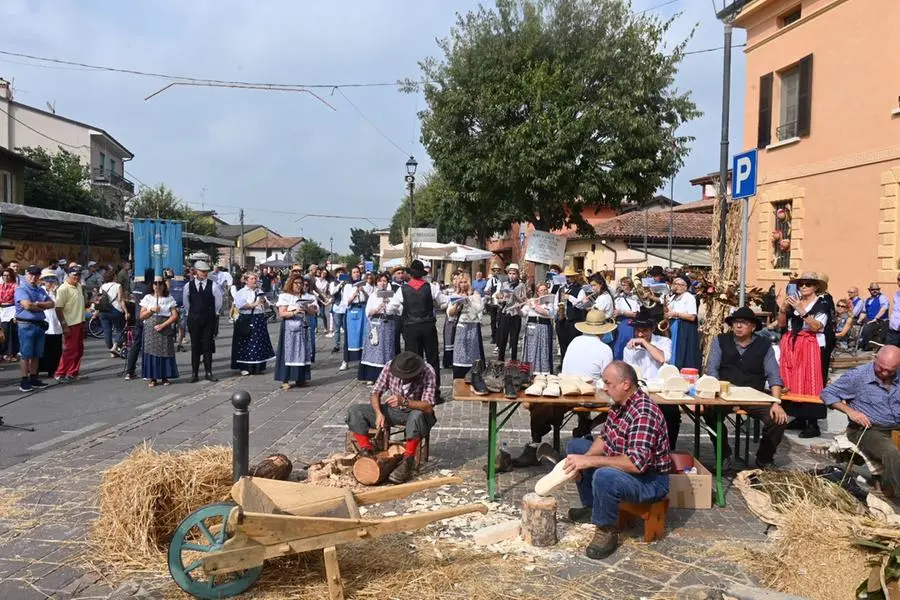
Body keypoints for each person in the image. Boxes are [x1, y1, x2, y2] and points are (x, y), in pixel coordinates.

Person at [564, 361, 672, 560]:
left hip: (650, 480)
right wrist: (583, 459)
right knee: (576, 447)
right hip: (631, 468)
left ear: (625, 384)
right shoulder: (619, 405)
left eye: (608, 383)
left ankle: (606, 530)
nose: (604, 387)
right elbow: (605, 438)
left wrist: (590, 463)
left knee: (605, 475)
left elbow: (636, 464)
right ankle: (592, 506)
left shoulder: (643, 413)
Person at [704, 307, 788, 469]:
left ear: (753, 327)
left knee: (778, 420)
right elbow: (712, 370)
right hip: (724, 394)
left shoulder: (764, 346)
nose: (738, 326)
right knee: (708, 411)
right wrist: (712, 393)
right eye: (736, 322)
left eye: (743, 323)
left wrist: (777, 402)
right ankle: (724, 454)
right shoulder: (720, 340)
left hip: (753, 395)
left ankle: (764, 457)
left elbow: (774, 375)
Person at [346, 351, 438, 483]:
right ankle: (366, 451)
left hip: (418, 412)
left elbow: (428, 406)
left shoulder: (428, 371)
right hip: (394, 411)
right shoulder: (390, 366)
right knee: (354, 411)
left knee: (416, 416)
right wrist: (378, 413)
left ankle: (408, 460)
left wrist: (405, 402)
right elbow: (375, 392)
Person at [821, 346, 900, 489]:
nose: (884, 372)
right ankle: (896, 492)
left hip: (895, 426)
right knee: (892, 453)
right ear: (875, 358)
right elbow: (827, 394)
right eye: (881, 368)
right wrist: (850, 411)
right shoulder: (857, 376)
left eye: (890, 370)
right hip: (867, 429)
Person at [386, 260, 449, 403]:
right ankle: (434, 393)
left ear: (410, 274)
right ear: (422, 274)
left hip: (411, 327)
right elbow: (443, 301)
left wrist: (403, 310)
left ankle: (415, 393)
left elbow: (390, 309)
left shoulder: (403, 290)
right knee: (432, 359)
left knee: (413, 360)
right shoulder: (430, 287)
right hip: (428, 326)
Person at [778, 271, 830, 439]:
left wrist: (802, 311)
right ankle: (799, 417)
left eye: (808, 284)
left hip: (811, 344)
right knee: (793, 380)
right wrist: (782, 309)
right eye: (801, 284)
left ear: (815, 286)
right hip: (793, 342)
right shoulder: (794, 302)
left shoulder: (822, 304)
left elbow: (817, 326)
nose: (803, 287)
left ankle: (813, 423)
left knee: (811, 381)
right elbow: (782, 324)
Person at [622, 307, 679, 448]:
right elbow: (629, 373)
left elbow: (662, 358)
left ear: (652, 329)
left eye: (644, 331)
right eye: (638, 330)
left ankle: (669, 449)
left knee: (673, 414)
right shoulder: (629, 347)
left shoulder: (664, 341)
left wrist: (645, 344)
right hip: (640, 393)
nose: (640, 334)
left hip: (661, 391)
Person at [274, 274, 318, 389]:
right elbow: (282, 313)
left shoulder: (306, 296)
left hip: (302, 326)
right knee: (289, 352)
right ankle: (285, 379)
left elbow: (313, 311)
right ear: (291, 283)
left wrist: (306, 308)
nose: (299, 285)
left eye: (301, 283)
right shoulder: (285, 296)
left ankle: (300, 378)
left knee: (302, 352)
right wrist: (294, 312)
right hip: (290, 326)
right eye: (297, 283)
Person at [15, 266, 54, 392]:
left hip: (39, 324)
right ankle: (24, 380)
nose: (33, 277)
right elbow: (27, 305)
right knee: (26, 354)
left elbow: (52, 303)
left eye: (36, 275)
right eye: (31, 275)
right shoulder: (21, 289)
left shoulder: (39, 290)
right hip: (26, 324)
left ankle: (33, 378)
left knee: (37, 354)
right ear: (26, 274)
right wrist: (41, 306)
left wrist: (37, 304)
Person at [183, 261, 222, 383]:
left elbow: (218, 303)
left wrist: (211, 314)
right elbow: (186, 303)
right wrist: (194, 313)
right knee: (195, 346)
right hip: (194, 318)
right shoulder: (188, 286)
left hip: (208, 318)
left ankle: (208, 372)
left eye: (206, 271)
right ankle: (194, 373)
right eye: (202, 271)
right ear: (196, 271)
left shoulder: (213, 285)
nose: (204, 273)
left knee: (207, 345)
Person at [230, 273, 276, 376]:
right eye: (252, 278)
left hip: (259, 318)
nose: (255, 280)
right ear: (246, 281)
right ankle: (245, 367)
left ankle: (258, 366)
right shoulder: (241, 292)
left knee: (259, 342)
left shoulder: (259, 291)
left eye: (256, 278)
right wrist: (253, 304)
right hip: (247, 319)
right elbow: (240, 305)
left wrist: (264, 302)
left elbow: (267, 304)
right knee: (246, 343)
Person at [359, 272, 401, 383]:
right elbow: (368, 312)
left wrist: (391, 307)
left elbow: (399, 310)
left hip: (388, 325)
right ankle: (371, 376)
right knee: (374, 349)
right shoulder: (373, 295)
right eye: (380, 281)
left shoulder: (392, 295)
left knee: (386, 350)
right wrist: (379, 307)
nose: (382, 283)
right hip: (376, 324)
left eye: (384, 281)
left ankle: (387, 375)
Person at [140, 278, 179, 387]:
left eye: (160, 284)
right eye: (155, 284)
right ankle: (152, 378)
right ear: (152, 285)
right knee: (151, 352)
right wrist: (151, 310)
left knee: (165, 351)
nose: (158, 286)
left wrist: (163, 325)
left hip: (164, 326)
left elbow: (174, 315)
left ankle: (165, 376)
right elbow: (142, 315)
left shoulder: (169, 298)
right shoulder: (147, 298)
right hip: (150, 329)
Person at [447, 273, 485, 379]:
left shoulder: (475, 294)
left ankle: (475, 374)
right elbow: (450, 314)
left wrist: (468, 300)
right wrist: (457, 304)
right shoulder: (455, 295)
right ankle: (459, 374)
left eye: (465, 282)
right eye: (461, 282)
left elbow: (479, 309)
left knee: (473, 351)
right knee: (461, 351)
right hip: (461, 325)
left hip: (473, 325)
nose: (463, 285)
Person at [53, 267, 86, 384]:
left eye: (78, 275)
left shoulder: (78, 286)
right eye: (74, 275)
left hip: (80, 322)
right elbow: (58, 308)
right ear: (68, 275)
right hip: (70, 323)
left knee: (79, 350)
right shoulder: (63, 289)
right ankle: (60, 373)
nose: (76, 277)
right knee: (70, 350)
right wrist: (64, 325)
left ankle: (73, 372)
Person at [665, 274, 701, 370]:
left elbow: (692, 316)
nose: (677, 286)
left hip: (684, 328)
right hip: (674, 325)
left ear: (686, 287)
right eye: (675, 284)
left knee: (681, 352)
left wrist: (676, 313)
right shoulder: (673, 297)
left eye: (680, 284)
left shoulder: (688, 297)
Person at [125, 269, 154, 380]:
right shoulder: (149, 288)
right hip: (146, 317)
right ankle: (146, 371)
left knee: (136, 344)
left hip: (137, 316)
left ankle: (130, 371)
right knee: (147, 345)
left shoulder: (136, 286)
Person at [522, 282, 555, 376]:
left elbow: (547, 313)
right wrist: (516, 308)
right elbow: (523, 314)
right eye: (541, 290)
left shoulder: (549, 302)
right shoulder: (532, 300)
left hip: (543, 327)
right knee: (531, 350)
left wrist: (533, 305)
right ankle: (529, 372)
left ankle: (542, 372)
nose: (544, 292)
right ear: (537, 292)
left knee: (542, 350)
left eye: (545, 290)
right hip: (531, 327)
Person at [494, 264, 526, 361]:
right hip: (505, 312)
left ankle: (513, 362)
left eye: (514, 274)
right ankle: (500, 362)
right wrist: (501, 298)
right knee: (503, 339)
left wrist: (515, 296)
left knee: (514, 340)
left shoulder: (521, 285)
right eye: (510, 273)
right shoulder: (504, 284)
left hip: (515, 314)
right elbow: (499, 297)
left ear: (517, 275)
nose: (512, 276)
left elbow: (524, 301)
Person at [339, 266, 368, 372]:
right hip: (352, 310)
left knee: (363, 335)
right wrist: (354, 295)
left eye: (358, 272)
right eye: (354, 272)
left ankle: (363, 359)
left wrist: (363, 291)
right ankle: (346, 360)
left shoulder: (365, 284)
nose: (356, 274)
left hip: (363, 310)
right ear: (351, 274)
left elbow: (369, 298)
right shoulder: (347, 286)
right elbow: (345, 302)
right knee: (350, 336)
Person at [37, 269, 63, 380]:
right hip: (45, 321)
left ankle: (54, 369)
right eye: (47, 279)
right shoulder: (40, 291)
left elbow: (59, 304)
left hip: (56, 322)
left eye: (52, 279)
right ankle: (39, 369)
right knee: (43, 348)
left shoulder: (57, 291)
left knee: (55, 348)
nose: (49, 282)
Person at [558, 267, 586, 361]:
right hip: (562, 320)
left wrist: (569, 297)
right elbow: (556, 302)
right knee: (562, 345)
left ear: (574, 277)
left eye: (569, 277)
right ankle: (563, 364)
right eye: (566, 276)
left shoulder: (580, 289)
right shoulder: (561, 288)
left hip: (574, 321)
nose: (567, 278)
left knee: (573, 345)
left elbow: (581, 305)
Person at [97, 270, 126, 358]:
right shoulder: (118, 286)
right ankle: (115, 346)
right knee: (120, 329)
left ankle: (111, 348)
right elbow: (120, 300)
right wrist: (126, 311)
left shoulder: (102, 287)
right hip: (115, 310)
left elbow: (100, 299)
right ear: (114, 277)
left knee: (107, 330)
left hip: (103, 310)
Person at [612, 278, 639, 360]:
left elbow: (635, 314)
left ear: (629, 286)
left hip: (627, 323)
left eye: (624, 285)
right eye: (621, 284)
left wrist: (622, 312)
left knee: (625, 344)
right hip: (618, 322)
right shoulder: (618, 296)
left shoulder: (634, 297)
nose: (622, 287)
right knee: (616, 344)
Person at [859, 282, 889, 349]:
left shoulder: (882, 297)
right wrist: (859, 320)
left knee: (867, 327)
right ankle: (856, 343)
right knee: (854, 323)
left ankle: (867, 347)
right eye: (873, 289)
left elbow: (884, 308)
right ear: (869, 290)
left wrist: (876, 318)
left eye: (877, 289)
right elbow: (864, 312)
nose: (875, 291)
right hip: (869, 320)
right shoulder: (867, 300)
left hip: (880, 321)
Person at [0, 267, 19, 362]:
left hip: (11, 309)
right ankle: (2, 353)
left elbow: (18, 301)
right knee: (2, 331)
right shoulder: (0, 286)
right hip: (1, 310)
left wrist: (16, 314)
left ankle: (10, 353)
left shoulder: (15, 286)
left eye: (8, 275)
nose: (6, 277)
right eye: (4, 275)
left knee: (9, 331)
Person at [483, 263, 504, 343]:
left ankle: (500, 336)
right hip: (493, 301)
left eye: (497, 270)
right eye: (495, 270)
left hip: (501, 301)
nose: (496, 272)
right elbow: (485, 290)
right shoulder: (490, 280)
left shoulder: (502, 280)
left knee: (500, 319)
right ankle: (494, 337)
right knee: (493, 320)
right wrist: (488, 291)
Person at [329, 267, 348, 352]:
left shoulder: (347, 283)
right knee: (337, 328)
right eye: (338, 272)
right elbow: (332, 292)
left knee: (346, 328)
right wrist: (340, 285)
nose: (340, 273)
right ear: (336, 274)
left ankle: (347, 344)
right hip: (337, 307)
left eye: (342, 272)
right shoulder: (333, 283)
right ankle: (337, 345)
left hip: (346, 307)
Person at [887, 275, 900, 347]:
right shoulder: (897, 294)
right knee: (889, 351)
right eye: (898, 279)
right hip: (893, 328)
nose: (899, 282)